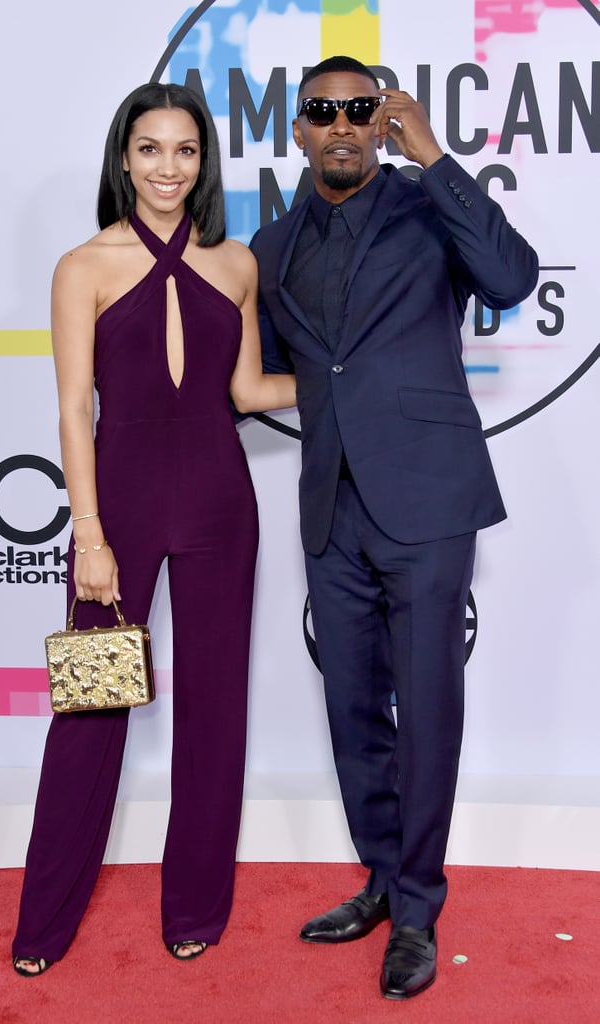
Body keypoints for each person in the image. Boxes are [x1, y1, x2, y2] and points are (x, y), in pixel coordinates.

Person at [250, 55, 538, 1000]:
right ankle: (379, 876)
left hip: (425, 498)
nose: (339, 123)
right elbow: (284, 373)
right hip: (330, 503)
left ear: (383, 119)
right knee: (349, 713)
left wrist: (436, 156)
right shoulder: (272, 243)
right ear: (295, 129)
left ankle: (418, 906)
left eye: (357, 108)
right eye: (320, 110)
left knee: (426, 712)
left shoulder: (428, 207)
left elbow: (509, 277)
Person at [11, 82, 296, 977]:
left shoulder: (237, 263)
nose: (166, 167)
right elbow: (70, 412)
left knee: (215, 714)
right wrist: (87, 534)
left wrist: (352, 379)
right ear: (123, 158)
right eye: (149, 149)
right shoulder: (82, 266)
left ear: (204, 161)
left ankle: (196, 908)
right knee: (91, 708)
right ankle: (44, 922)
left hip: (219, 499)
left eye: (184, 150)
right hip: (119, 511)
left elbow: (249, 394)